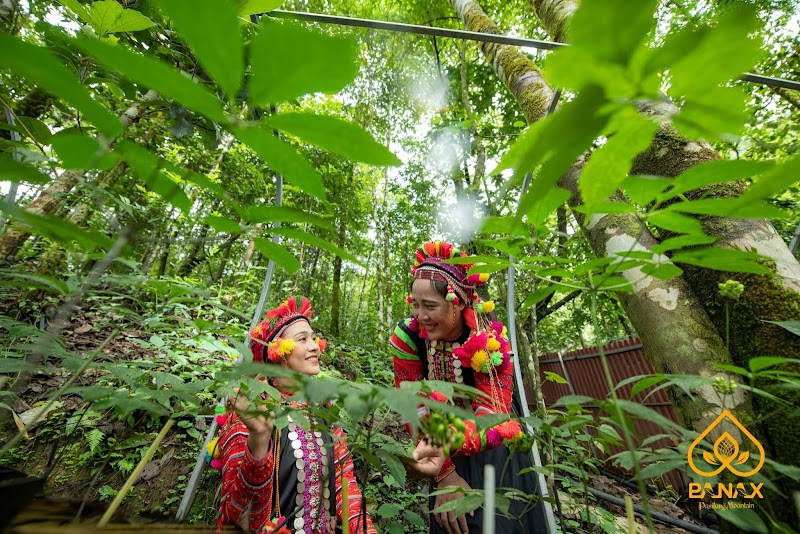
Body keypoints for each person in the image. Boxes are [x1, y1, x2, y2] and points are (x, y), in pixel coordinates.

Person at [390, 241, 548, 534]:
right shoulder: (408, 337)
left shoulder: (488, 341)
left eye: (431, 306)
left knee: (498, 522)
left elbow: (495, 417)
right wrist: (445, 473)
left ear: (458, 302)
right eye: (415, 304)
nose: (421, 316)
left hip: (492, 445)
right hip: (438, 438)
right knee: (451, 521)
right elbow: (413, 406)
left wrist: (447, 445)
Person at [213, 296, 378, 534]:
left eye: (313, 338)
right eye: (302, 339)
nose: (315, 346)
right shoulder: (249, 410)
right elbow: (237, 519)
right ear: (278, 352)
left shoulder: (323, 408)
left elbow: (346, 486)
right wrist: (259, 438)